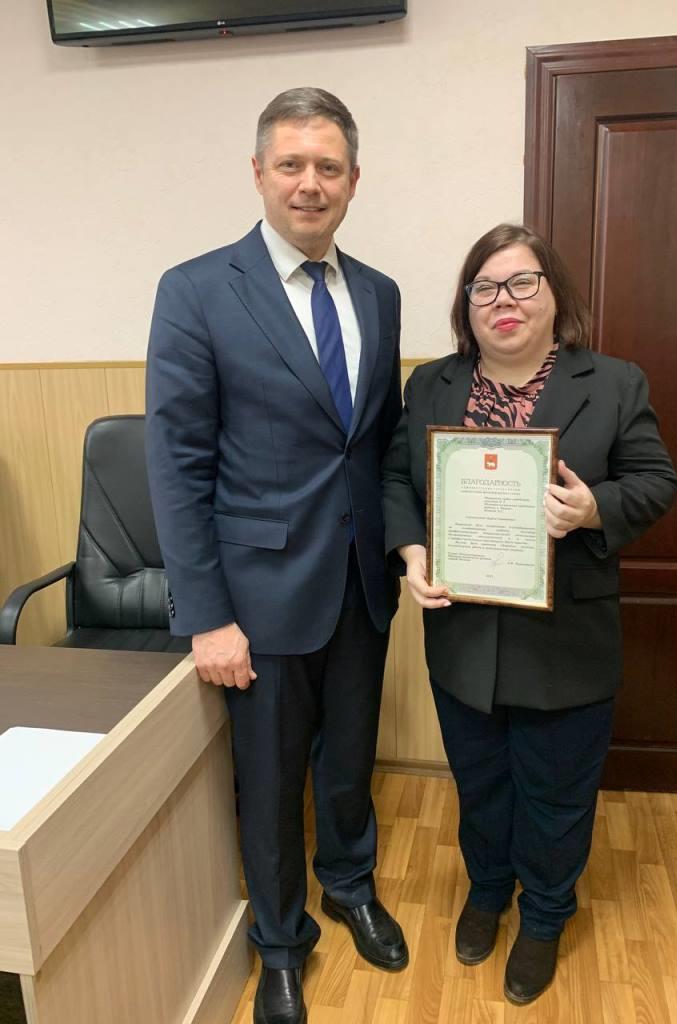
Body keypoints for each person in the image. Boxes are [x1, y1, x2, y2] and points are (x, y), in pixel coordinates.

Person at [145, 87, 408, 1024]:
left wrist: (407, 546)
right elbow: (177, 464)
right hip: (256, 595)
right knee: (268, 781)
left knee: (349, 760)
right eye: (291, 164)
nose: (310, 184)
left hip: (361, 583)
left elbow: (376, 444)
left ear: (354, 180)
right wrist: (208, 614)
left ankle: (350, 885)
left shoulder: (378, 292)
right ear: (258, 173)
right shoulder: (196, 290)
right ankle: (281, 941)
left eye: (328, 167)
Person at [382, 224, 677, 1004]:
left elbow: (657, 481)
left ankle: (545, 914)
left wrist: (592, 509)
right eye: (484, 286)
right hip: (463, 636)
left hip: (567, 639)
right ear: (467, 304)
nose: (503, 300)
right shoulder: (431, 385)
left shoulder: (613, 383)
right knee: (481, 782)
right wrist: (411, 552)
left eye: (522, 282)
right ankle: (488, 890)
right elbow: (396, 479)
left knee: (555, 793)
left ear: (554, 295)